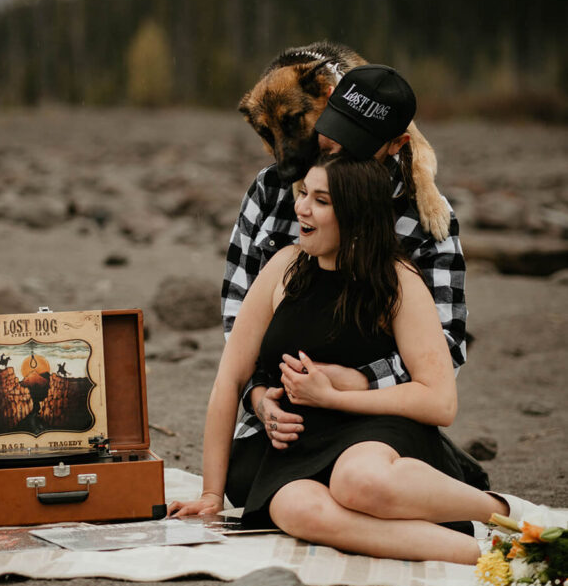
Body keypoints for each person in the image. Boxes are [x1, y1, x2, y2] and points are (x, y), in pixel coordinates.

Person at [170, 152, 506, 564]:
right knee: (296, 509)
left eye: (321, 200)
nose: (301, 208)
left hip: (375, 431)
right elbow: (229, 379)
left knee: (357, 482)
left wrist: (333, 397)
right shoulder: (284, 266)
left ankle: (506, 513)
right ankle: (483, 554)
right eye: (303, 193)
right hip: (291, 445)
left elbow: (440, 402)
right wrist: (210, 494)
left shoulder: (398, 279)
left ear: (357, 215)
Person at [221, 63, 480, 507]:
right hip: (283, 415)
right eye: (331, 130)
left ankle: (433, 480)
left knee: (356, 483)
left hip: (375, 423)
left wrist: (355, 384)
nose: (335, 147)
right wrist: (262, 399)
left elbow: (446, 348)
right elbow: (236, 323)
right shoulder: (272, 191)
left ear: (397, 145)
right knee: (258, 489)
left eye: (355, 143)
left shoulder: (425, 218)